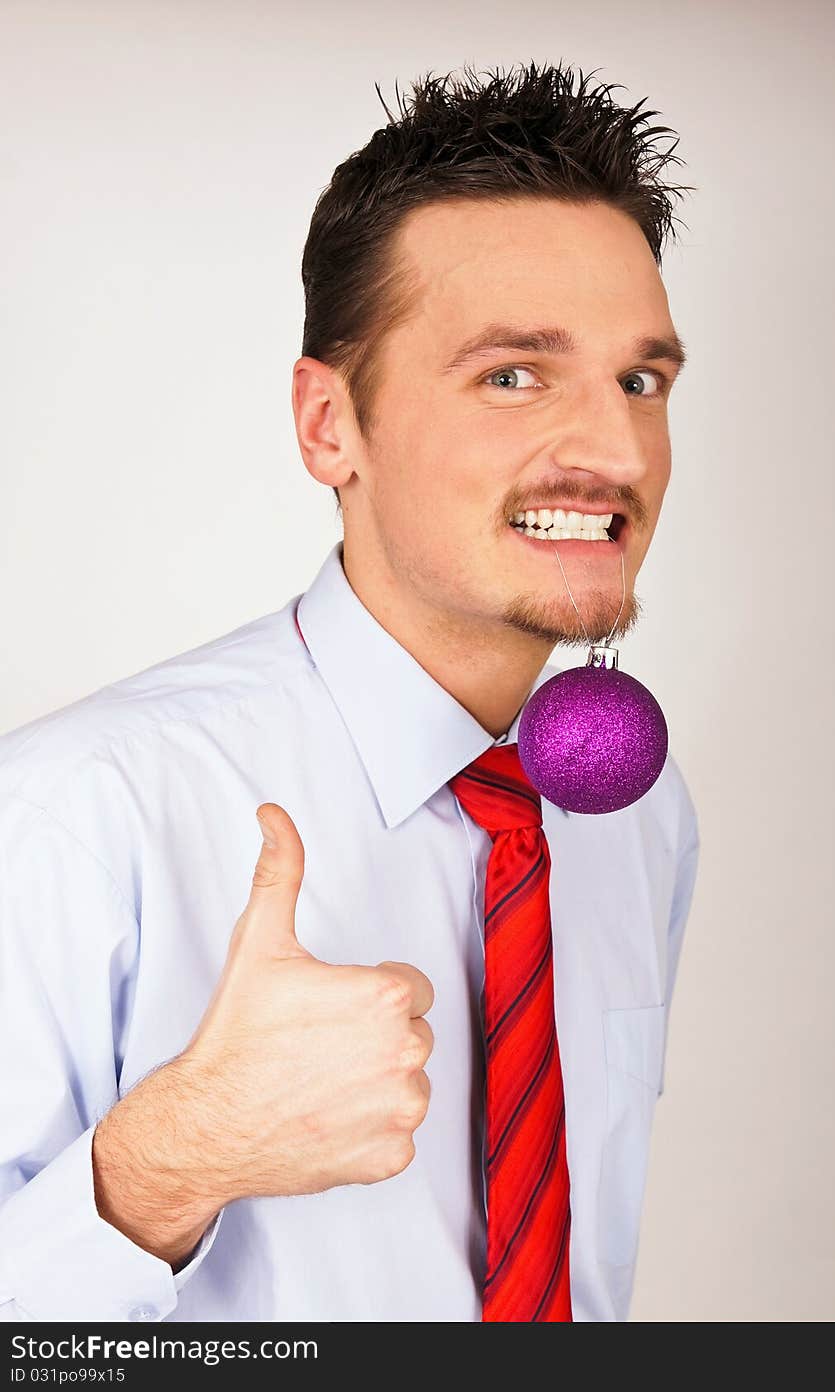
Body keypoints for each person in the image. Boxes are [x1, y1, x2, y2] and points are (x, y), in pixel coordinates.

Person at [0, 61, 700, 1323]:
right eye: (513, 374)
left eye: (640, 380)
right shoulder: (73, 813)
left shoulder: (635, 810)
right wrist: (168, 1163)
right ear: (330, 427)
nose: (613, 451)